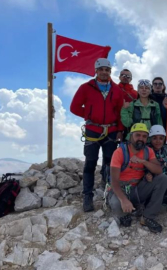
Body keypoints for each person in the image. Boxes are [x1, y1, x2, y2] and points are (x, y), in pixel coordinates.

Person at [70, 58, 123, 212]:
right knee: (90, 162)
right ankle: (87, 196)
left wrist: (120, 129)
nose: (104, 72)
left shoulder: (116, 90)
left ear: (110, 71)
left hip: (111, 131)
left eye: (107, 69)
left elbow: (120, 112)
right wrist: (90, 116)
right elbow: (74, 107)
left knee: (109, 163)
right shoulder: (86, 87)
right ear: (96, 71)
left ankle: (109, 194)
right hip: (93, 130)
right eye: (101, 69)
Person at [108, 123, 167, 233]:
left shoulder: (148, 151)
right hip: (122, 189)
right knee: (117, 205)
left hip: (138, 188)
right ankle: (127, 212)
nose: (141, 139)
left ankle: (148, 217)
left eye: (144, 136)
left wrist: (144, 161)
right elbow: (114, 182)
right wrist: (124, 200)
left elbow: (159, 170)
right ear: (131, 136)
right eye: (138, 135)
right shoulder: (120, 152)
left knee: (163, 179)